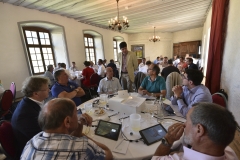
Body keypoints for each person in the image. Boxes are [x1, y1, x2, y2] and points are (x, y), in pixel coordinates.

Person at [21, 98, 113, 160]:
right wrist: (83, 136)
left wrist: (79, 125)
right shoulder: (82, 147)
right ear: (67, 121)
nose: (78, 116)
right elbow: (108, 154)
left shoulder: (31, 143)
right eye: (76, 113)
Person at [153, 102, 238, 160]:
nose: (184, 124)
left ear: (199, 130)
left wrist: (168, 140)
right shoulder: (229, 152)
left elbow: (155, 158)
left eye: (187, 120)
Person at [11, 76, 50, 158]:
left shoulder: (33, 102)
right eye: (46, 89)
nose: (49, 90)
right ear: (36, 93)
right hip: (32, 150)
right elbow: (42, 137)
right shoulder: (26, 113)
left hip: (38, 139)